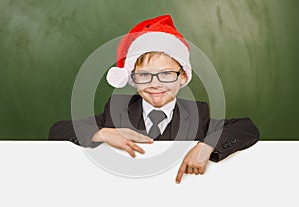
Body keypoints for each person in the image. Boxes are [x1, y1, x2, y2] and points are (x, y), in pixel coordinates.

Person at [49, 14, 259, 184]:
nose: (155, 84)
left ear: (183, 76)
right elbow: (57, 131)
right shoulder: (117, 110)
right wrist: (101, 133)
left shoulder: (198, 114)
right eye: (144, 75)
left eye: (166, 74)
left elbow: (248, 128)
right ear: (133, 79)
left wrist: (207, 145)